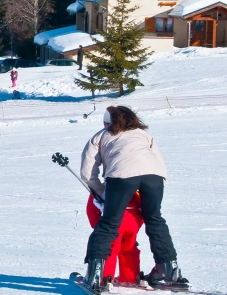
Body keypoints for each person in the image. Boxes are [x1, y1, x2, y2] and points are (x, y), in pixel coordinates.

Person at [80, 106, 187, 291]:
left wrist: (102, 193)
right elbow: (159, 163)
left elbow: (87, 172)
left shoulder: (101, 135)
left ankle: (97, 274)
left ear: (107, 122)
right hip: (154, 176)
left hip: (121, 176)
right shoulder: (143, 134)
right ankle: (169, 269)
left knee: (108, 224)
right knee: (155, 220)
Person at [86, 192, 145, 285]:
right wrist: (137, 225)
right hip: (134, 220)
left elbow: (92, 210)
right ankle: (130, 277)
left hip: (115, 221)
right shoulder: (136, 187)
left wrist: (99, 229)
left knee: (111, 247)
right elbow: (145, 206)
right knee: (129, 247)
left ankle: (105, 278)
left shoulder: (103, 187)